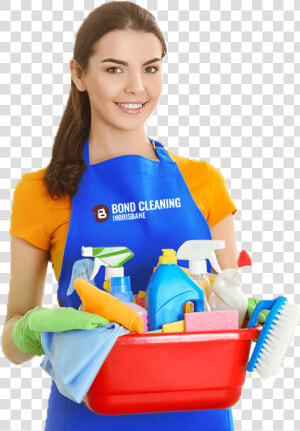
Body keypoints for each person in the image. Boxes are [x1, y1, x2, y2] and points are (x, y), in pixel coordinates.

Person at [2, 2, 239, 430]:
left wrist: (251, 311)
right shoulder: (43, 192)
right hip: (90, 416)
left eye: (150, 68)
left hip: (198, 413)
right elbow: (12, 344)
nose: (136, 87)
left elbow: (229, 309)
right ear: (79, 74)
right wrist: (32, 328)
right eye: (114, 69)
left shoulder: (203, 182)